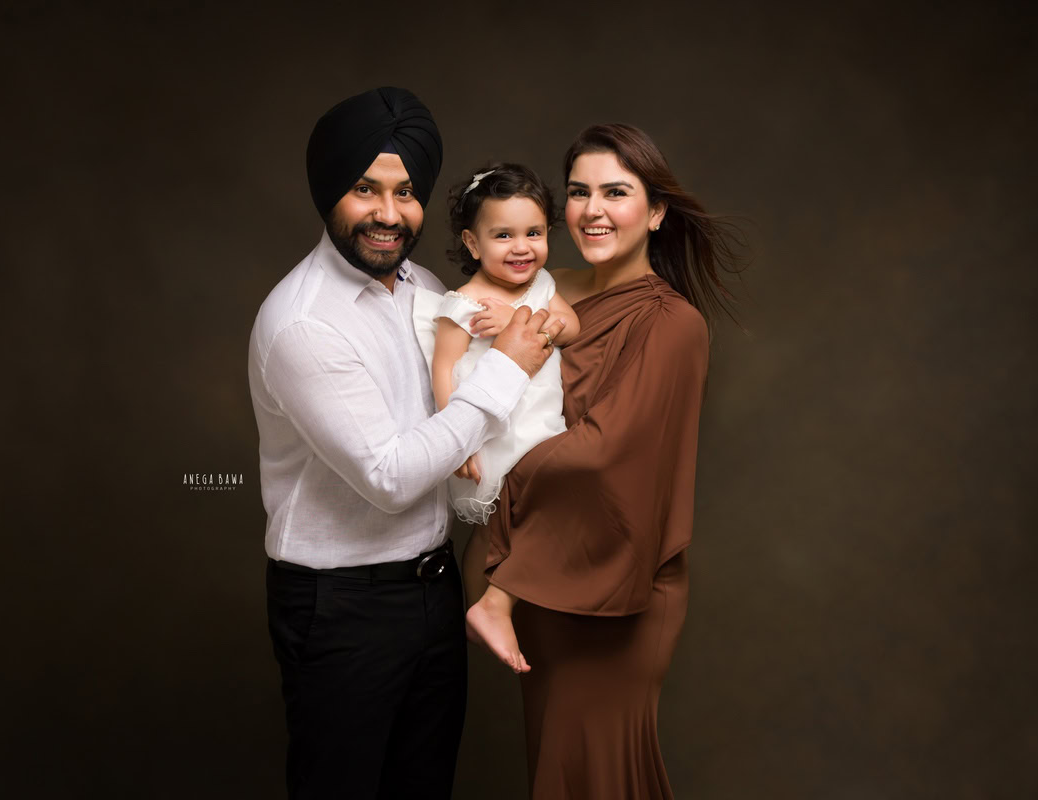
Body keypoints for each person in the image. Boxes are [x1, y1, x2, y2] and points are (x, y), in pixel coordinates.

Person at [247, 87, 566, 800]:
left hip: (432, 588)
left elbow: (469, 375)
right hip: (341, 609)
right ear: (330, 189)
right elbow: (390, 478)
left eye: (407, 192)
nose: (389, 214)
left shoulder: (424, 286)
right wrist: (510, 368)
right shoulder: (304, 324)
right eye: (366, 189)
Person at [478, 123, 745, 799]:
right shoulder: (547, 290)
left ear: (655, 212)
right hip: (550, 574)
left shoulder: (671, 324)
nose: (592, 209)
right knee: (560, 768)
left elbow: (603, 456)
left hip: (616, 588)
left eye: (616, 192)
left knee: (592, 774)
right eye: (578, 192)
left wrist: (500, 486)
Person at [411, 163, 580, 674]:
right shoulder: (462, 304)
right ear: (472, 241)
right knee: (494, 529)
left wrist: (523, 321)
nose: (521, 247)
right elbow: (444, 370)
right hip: (491, 432)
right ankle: (482, 604)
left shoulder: (542, 286)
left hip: (541, 426)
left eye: (533, 232)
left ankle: (495, 607)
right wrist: (456, 442)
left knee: (545, 510)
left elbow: (569, 327)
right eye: (502, 235)